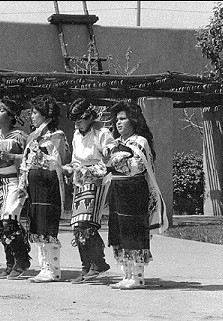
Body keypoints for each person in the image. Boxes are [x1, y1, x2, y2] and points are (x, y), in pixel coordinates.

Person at [102, 101, 168, 289]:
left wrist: (114, 162)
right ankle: (127, 274)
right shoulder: (115, 144)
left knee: (133, 232)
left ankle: (138, 277)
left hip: (134, 192)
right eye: (116, 120)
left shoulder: (140, 142)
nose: (118, 123)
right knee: (120, 232)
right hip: (118, 191)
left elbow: (137, 167)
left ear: (133, 120)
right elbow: (105, 167)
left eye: (123, 119)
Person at [17, 94, 69, 283]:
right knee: (36, 226)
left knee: (48, 227)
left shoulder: (57, 135)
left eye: (35, 113)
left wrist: (42, 155)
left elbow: (60, 161)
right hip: (35, 185)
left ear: (46, 115)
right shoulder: (32, 137)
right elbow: (25, 162)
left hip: (49, 185)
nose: (32, 116)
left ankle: (54, 269)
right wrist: (23, 183)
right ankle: (44, 267)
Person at [62, 98, 113, 284]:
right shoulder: (76, 135)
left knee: (86, 223)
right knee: (77, 225)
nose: (77, 123)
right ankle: (86, 266)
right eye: (75, 120)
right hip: (80, 180)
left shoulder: (102, 133)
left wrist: (94, 172)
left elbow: (109, 160)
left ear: (90, 117)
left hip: (96, 180)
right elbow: (76, 159)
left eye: (80, 119)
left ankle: (98, 262)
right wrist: (70, 168)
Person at [0, 96, 31, 280]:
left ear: (12, 115)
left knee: (9, 221)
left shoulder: (21, 136)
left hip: (16, 181)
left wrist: (12, 156)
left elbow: (30, 158)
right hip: (2, 183)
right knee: (1, 224)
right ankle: (10, 262)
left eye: (1, 110)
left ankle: (22, 260)